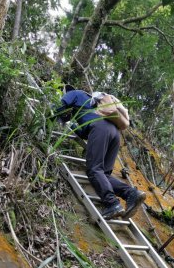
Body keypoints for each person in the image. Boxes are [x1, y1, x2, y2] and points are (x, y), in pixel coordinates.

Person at [54, 86, 146, 220]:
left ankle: (112, 203)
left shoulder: (73, 93)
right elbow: (86, 132)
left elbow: (60, 105)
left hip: (100, 128)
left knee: (94, 169)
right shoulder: (92, 103)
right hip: (114, 133)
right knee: (104, 174)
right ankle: (131, 193)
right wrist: (72, 126)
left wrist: (53, 117)